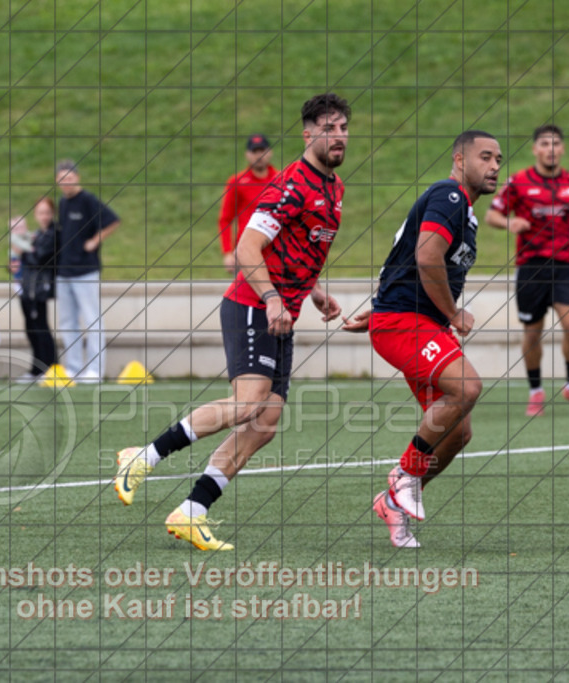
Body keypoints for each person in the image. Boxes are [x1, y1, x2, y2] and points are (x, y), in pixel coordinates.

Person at [114, 92, 350, 551]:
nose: (338, 136)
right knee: (247, 404)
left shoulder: (334, 188)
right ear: (308, 135)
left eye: (343, 128)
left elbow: (298, 247)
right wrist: (272, 298)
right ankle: (142, 456)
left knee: (265, 423)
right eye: (328, 129)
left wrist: (315, 292)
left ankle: (191, 512)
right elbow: (246, 248)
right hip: (253, 305)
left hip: (282, 313)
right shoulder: (289, 185)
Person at [342, 130, 502, 548]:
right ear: (459, 160)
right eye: (485, 157)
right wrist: (451, 313)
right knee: (467, 387)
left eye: (499, 160)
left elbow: (403, 258)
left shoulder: (464, 213)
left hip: (412, 321)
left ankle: (394, 503)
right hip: (406, 322)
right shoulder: (449, 196)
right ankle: (404, 475)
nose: (494, 167)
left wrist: (381, 305)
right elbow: (427, 256)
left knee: (458, 433)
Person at [485, 124, 569, 417]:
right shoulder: (518, 182)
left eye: (556, 144)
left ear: (563, 148)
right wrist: (509, 223)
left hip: (565, 266)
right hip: (530, 267)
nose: (551, 149)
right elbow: (492, 215)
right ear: (535, 149)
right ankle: (536, 391)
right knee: (532, 333)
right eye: (545, 144)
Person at [54, 160, 120, 383]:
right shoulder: (63, 203)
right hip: (64, 272)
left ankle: (95, 370)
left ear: (77, 178)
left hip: (85, 271)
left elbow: (112, 221)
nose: (66, 183)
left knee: (92, 320)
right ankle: (73, 367)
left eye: (69, 178)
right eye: (62, 179)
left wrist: (95, 240)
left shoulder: (88, 200)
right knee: (67, 322)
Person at [11, 202, 59, 381]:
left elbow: (39, 258)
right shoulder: (38, 235)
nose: (44, 216)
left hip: (38, 288)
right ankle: (37, 369)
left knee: (41, 328)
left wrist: (22, 252)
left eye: (47, 212)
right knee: (31, 329)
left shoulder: (53, 234)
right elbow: (23, 260)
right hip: (27, 287)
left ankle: (50, 368)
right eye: (40, 213)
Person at [217, 134, 278, 274]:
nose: (259, 155)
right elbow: (225, 219)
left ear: (270, 152)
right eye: (254, 151)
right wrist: (227, 252)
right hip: (246, 251)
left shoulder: (281, 180)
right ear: (247, 154)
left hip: (275, 251)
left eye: (262, 150)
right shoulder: (237, 182)